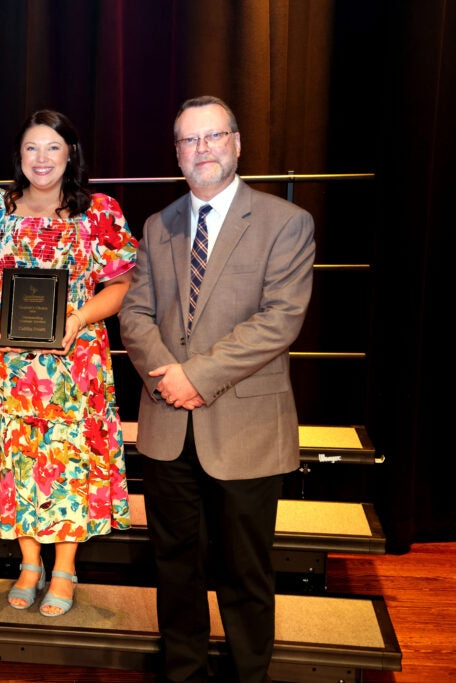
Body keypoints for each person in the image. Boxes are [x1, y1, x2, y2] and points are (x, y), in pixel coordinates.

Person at [118, 96, 316, 682]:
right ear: (177, 154)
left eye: (212, 137)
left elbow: (280, 320)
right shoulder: (158, 226)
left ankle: (250, 674)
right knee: (175, 570)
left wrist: (195, 377)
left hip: (245, 431)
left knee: (245, 574)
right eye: (188, 141)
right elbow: (135, 315)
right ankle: (184, 672)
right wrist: (169, 378)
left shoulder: (286, 222)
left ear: (236, 143)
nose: (201, 149)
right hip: (167, 429)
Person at [0, 109, 138, 617]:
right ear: (19, 156)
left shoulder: (98, 211)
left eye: (53, 147)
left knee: (68, 461)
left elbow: (121, 285)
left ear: (70, 153)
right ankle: (28, 563)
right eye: (32, 147)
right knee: (17, 459)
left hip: (75, 366)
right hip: (6, 365)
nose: (42, 158)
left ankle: (64, 567)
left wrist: (79, 318)